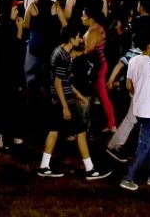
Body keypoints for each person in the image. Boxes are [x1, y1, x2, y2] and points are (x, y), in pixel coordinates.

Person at [36, 34, 111, 182]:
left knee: (53, 131)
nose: (80, 39)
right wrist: (65, 107)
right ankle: (90, 170)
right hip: (63, 101)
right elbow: (59, 83)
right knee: (81, 132)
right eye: (77, 36)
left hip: (57, 99)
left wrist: (79, 96)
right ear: (71, 38)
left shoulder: (60, 51)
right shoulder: (64, 57)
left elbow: (63, 81)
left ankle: (44, 166)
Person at [119, 26, 150, 191]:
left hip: (138, 107)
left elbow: (128, 85)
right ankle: (128, 177)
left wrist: (138, 93)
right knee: (145, 144)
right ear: (148, 46)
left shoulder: (132, 61)